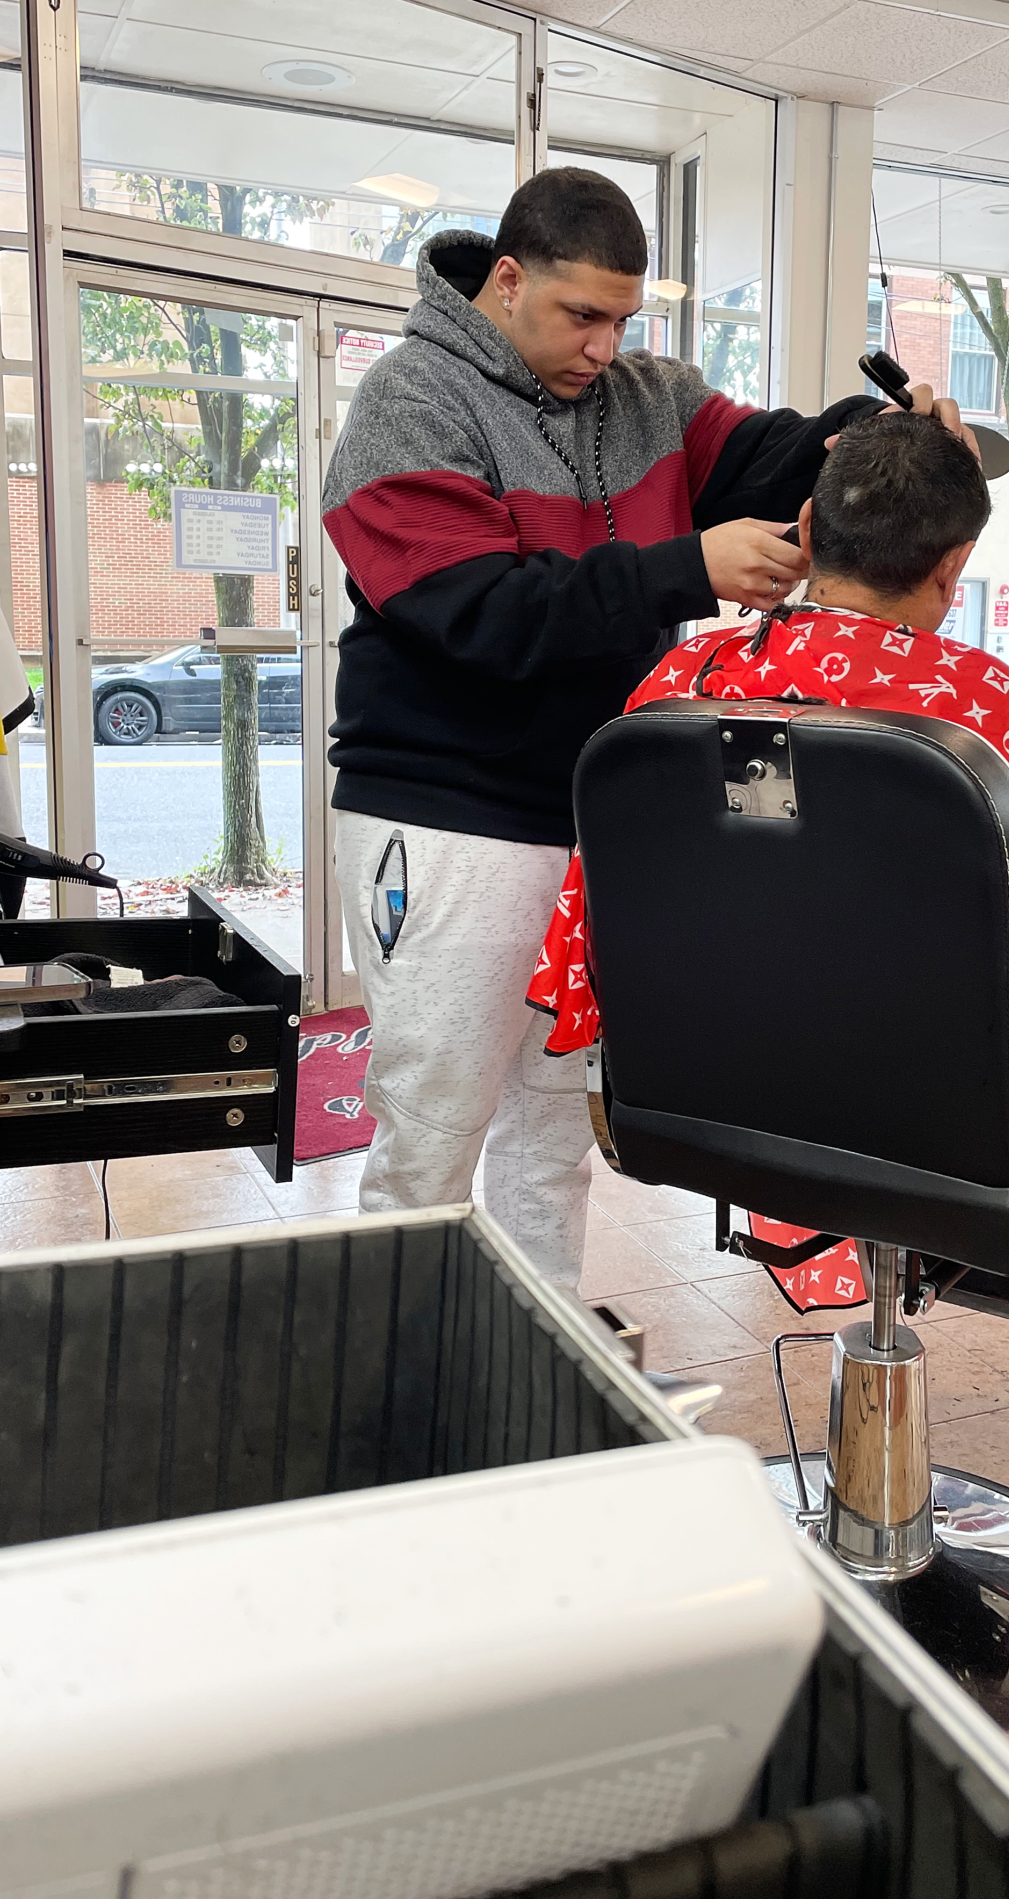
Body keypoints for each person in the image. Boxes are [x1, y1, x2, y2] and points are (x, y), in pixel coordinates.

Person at [529, 400, 1009, 1441]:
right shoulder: (983, 710)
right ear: (953, 567)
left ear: (809, 529)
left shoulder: (681, 687)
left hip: (709, 1114)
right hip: (953, 1141)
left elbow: (591, 934)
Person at [323, 165, 882, 1284]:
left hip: (590, 819)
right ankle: (397, 1375)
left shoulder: (646, 396)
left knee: (550, 1136)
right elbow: (481, 615)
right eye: (581, 314)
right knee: (432, 1134)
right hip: (447, 821)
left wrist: (874, 433)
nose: (602, 345)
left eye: (623, 319)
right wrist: (686, 568)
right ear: (507, 279)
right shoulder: (408, 403)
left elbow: (777, 455)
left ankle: (541, 1363)